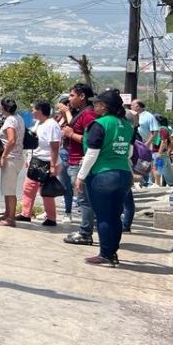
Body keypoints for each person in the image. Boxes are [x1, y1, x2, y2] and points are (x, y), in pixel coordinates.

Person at [74, 89, 134, 267]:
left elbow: (92, 153)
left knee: (103, 217)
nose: (94, 105)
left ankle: (106, 254)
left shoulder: (99, 124)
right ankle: (112, 252)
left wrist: (80, 177)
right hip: (123, 173)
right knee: (115, 216)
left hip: (103, 175)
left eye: (97, 103)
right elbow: (129, 152)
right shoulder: (127, 125)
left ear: (104, 106)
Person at [62, 83, 99, 246]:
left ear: (82, 96)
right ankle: (85, 229)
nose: (69, 99)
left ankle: (85, 232)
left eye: (72, 95)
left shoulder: (89, 115)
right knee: (83, 199)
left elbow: (92, 141)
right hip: (73, 160)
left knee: (84, 199)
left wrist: (71, 134)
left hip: (80, 162)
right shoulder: (81, 113)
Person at [17, 100, 61, 226]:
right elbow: (34, 143)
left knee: (46, 191)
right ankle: (26, 214)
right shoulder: (38, 123)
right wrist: (29, 159)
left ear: (40, 110)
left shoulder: (52, 125)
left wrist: (52, 165)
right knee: (28, 187)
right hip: (37, 161)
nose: (32, 112)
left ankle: (51, 218)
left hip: (47, 162)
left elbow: (55, 146)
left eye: (34, 109)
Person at [0, 98, 25, 226]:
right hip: (17, 157)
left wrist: (3, 156)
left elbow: (11, 140)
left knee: (10, 189)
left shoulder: (10, 121)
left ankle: (11, 218)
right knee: (7, 188)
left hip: (11, 158)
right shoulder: (19, 118)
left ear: (4, 108)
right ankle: (7, 214)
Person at [54, 96, 75, 223]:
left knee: (68, 184)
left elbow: (74, 127)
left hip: (68, 152)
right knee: (62, 183)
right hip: (59, 152)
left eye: (62, 107)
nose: (59, 110)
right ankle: (64, 211)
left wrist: (67, 112)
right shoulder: (58, 118)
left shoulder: (71, 118)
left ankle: (69, 211)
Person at [131, 99, 157, 185]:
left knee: (145, 163)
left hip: (145, 144)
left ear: (138, 106)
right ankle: (136, 182)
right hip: (134, 143)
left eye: (132, 105)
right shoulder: (132, 115)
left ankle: (147, 182)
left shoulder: (149, 116)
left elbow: (155, 131)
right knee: (133, 161)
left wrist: (148, 143)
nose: (131, 107)